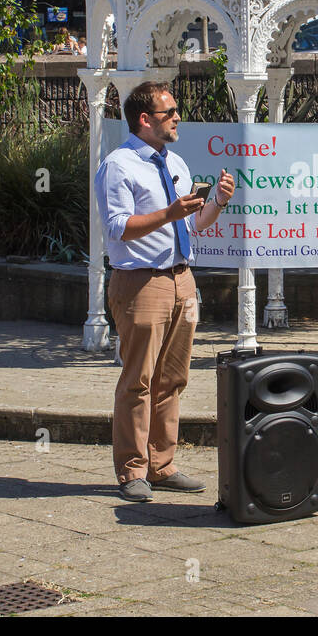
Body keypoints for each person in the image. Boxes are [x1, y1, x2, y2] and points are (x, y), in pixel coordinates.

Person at [95, 81, 235, 502]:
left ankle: (162, 464)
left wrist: (217, 204)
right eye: (169, 111)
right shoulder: (119, 166)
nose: (177, 118)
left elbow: (190, 226)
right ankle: (132, 470)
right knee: (138, 379)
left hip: (182, 280)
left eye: (176, 111)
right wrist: (169, 212)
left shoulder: (174, 162)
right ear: (144, 119)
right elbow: (117, 226)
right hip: (140, 282)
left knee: (173, 378)